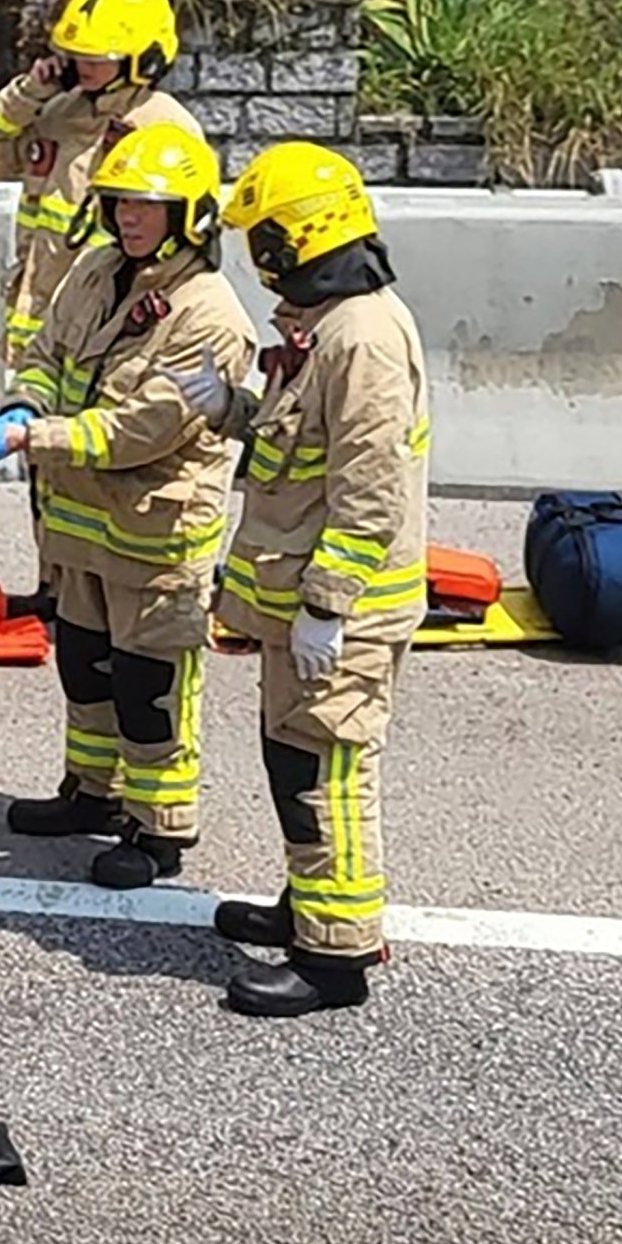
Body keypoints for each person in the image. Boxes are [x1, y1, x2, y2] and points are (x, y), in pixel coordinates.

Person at [0, 121, 257, 889]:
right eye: (119, 201)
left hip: (155, 535)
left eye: (145, 205)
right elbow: (45, 355)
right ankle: (91, 792)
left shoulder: (209, 315)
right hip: (84, 527)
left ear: (187, 214)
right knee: (85, 668)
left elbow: (139, 431)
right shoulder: (95, 270)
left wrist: (32, 439)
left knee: (148, 687)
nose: (127, 216)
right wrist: (23, 404)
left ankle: (159, 827)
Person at [201, 142, 432, 1017]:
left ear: (298, 237)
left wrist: (327, 608)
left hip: (342, 612)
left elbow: (368, 489)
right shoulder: (329, 325)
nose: (256, 258)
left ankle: (334, 957)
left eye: (263, 238)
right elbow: (295, 446)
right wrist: (230, 410)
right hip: (297, 599)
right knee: (291, 756)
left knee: (324, 774)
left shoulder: (361, 338)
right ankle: (307, 904)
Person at [0, 0, 199, 371]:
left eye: (96, 58)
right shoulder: (58, 112)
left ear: (143, 60)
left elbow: (181, 242)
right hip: (37, 334)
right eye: (76, 55)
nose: (82, 66)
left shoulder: (164, 127)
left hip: (106, 330)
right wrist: (27, 94)